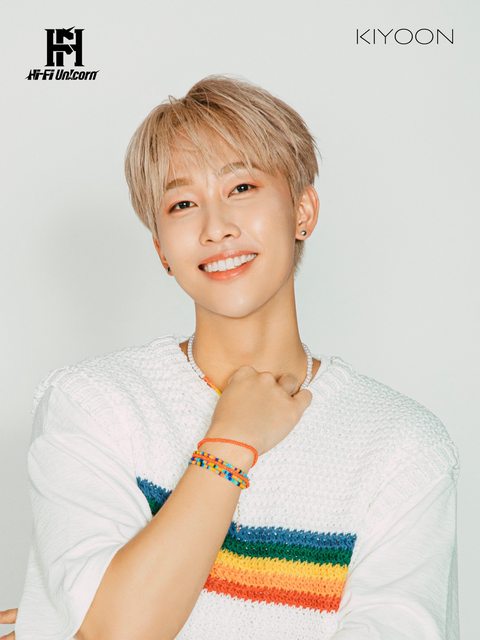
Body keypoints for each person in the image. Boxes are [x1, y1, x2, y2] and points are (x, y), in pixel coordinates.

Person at [2, 74, 459, 640]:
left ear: (303, 211)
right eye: (182, 203)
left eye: (241, 187)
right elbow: (116, 631)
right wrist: (230, 443)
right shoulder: (93, 407)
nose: (216, 228)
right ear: (161, 249)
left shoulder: (403, 447)